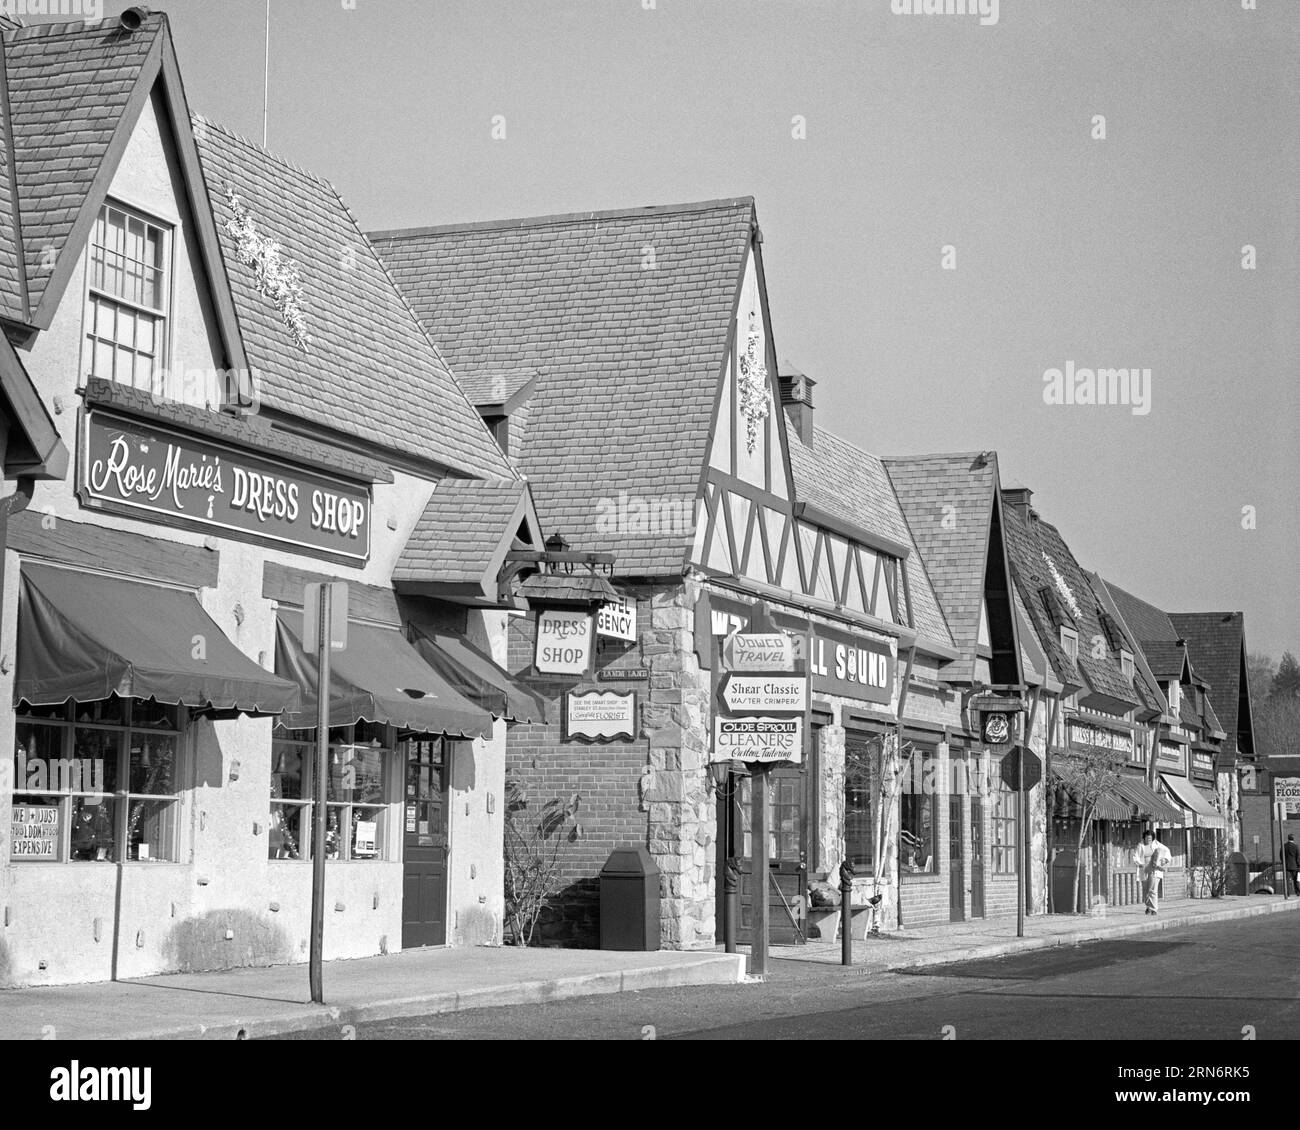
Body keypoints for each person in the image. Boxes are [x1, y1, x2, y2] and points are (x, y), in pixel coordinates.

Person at [1132, 829, 1172, 915]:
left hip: (1154, 870)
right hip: (1144, 869)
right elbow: (1135, 857)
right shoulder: (1140, 845)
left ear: (1152, 838)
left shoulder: (1157, 844)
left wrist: (1165, 860)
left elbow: (1167, 851)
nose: (1148, 840)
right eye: (1147, 838)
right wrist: (1139, 864)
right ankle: (1148, 907)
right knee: (1146, 890)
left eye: (1150, 838)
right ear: (1144, 838)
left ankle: (1154, 909)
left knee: (1153, 890)